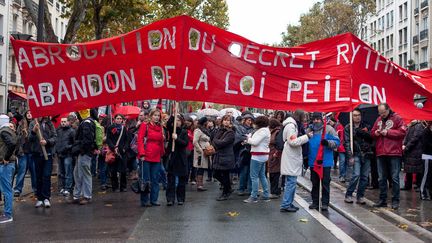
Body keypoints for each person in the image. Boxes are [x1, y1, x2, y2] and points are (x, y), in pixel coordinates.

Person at [372, 103, 406, 210]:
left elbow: (402, 132)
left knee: (395, 178)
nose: (381, 115)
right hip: (381, 152)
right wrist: (376, 133)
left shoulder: (397, 118)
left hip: (394, 152)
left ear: (388, 110)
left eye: (383, 112)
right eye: (380, 113)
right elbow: (372, 132)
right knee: (381, 178)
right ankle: (382, 200)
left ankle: (395, 201)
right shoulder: (378, 120)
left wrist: (388, 132)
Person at [280, 110, 311, 212]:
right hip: (291, 156)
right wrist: (307, 136)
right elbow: (293, 141)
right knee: (291, 182)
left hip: (292, 156)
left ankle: (289, 203)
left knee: (292, 181)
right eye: (304, 117)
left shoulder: (292, 125)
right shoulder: (291, 126)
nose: (305, 119)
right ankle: (286, 204)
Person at [308, 112, 340, 211]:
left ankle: (325, 203)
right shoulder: (309, 130)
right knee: (314, 183)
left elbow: (337, 142)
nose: (315, 121)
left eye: (317, 119)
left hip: (325, 161)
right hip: (313, 161)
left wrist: (328, 143)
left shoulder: (329, 129)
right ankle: (315, 202)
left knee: (325, 183)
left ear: (321, 119)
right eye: (314, 119)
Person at [343, 108, 373, 205]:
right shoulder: (348, 127)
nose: (357, 117)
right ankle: (349, 194)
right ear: (352, 116)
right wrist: (350, 156)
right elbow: (347, 143)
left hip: (366, 153)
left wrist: (364, 132)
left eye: (358, 115)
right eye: (355, 115)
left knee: (364, 177)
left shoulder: (366, 125)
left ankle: (360, 196)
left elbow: (371, 138)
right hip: (355, 153)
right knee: (356, 175)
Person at [69, 109, 98, 205]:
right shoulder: (87, 122)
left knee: (84, 173)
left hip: (84, 152)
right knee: (78, 173)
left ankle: (86, 196)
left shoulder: (86, 123)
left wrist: (80, 149)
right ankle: (78, 195)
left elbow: (87, 140)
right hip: (84, 152)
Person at [137, 109, 164, 207]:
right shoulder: (145, 125)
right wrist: (142, 154)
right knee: (145, 179)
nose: (157, 117)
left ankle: (154, 199)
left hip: (156, 156)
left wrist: (162, 153)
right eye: (155, 115)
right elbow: (139, 139)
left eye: (158, 115)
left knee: (155, 179)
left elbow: (161, 142)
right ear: (151, 116)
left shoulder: (160, 127)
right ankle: (145, 200)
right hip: (146, 156)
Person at [29, 115, 57, 208]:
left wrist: (47, 142)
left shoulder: (50, 124)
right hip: (37, 154)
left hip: (47, 154)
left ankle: (46, 198)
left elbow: (55, 137)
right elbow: (29, 139)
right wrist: (33, 131)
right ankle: (40, 198)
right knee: (39, 177)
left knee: (46, 175)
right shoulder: (33, 123)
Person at [243, 116, 271, 203]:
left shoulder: (262, 131)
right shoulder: (266, 130)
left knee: (254, 177)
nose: (253, 124)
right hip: (263, 155)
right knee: (262, 175)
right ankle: (266, 194)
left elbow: (255, 142)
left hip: (257, 155)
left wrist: (248, 138)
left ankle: (253, 196)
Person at [165, 114, 189, 205]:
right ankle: (170, 199)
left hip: (181, 158)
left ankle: (180, 198)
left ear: (182, 122)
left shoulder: (184, 131)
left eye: (179, 120)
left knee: (181, 181)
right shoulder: (171, 130)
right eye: (176, 121)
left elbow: (185, 143)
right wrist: (173, 115)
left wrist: (177, 138)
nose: (177, 122)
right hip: (172, 158)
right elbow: (168, 124)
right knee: (171, 180)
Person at [212, 115, 236, 201]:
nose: (226, 122)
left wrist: (216, 141)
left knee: (225, 175)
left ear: (230, 122)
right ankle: (228, 188)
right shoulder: (220, 130)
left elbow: (222, 143)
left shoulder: (231, 132)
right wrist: (216, 141)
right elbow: (214, 140)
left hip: (226, 156)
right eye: (225, 120)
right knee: (216, 174)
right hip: (219, 155)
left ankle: (225, 192)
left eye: (228, 120)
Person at [14, 110, 36, 197]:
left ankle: (36, 189)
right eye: (28, 113)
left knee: (34, 172)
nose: (29, 114)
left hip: (33, 152)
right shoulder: (21, 124)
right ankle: (17, 189)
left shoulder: (35, 123)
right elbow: (17, 138)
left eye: (31, 113)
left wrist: (30, 134)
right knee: (21, 171)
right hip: (23, 152)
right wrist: (22, 134)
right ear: (25, 115)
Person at [0, 115, 18, 223]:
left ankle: (8, 214)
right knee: (7, 189)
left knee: (6, 189)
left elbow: (12, 144)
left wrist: (6, 157)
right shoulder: (10, 130)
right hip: (8, 163)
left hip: (5, 164)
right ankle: (7, 213)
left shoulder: (4, 131)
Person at [401, 120, 427, 191]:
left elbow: (415, 138)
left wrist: (406, 146)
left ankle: (418, 185)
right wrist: (404, 144)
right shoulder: (411, 126)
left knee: (418, 169)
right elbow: (406, 137)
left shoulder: (418, 126)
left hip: (416, 151)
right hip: (411, 151)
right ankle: (408, 185)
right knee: (409, 169)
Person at [106, 114, 128, 192]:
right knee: (113, 170)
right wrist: (113, 147)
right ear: (114, 119)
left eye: (120, 118)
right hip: (113, 151)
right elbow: (108, 139)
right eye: (117, 118)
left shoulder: (124, 128)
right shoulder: (110, 128)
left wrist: (125, 148)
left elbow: (126, 139)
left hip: (122, 152)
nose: (119, 120)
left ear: (122, 120)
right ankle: (115, 187)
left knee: (123, 170)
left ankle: (123, 186)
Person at [234, 113, 254, 196]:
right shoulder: (240, 128)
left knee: (251, 172)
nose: (250, 122)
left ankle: (250, 189)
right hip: (243, 152)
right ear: (245, 120)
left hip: (252, 151)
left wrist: (246, 139)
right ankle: (241, 188)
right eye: (249, 120)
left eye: (251, 120)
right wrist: (247, 138)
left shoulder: (253, 129)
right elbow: (238, 138)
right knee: (244, 171)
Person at [55, 117, 75, 197]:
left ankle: (68, 188)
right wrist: (56, 149)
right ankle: (62, 187)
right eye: (62, 121)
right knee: (61, 173)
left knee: (68, 172)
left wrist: (68, 147)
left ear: (68, 122)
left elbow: (74, 143)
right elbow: (56, 141)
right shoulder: (58, 131)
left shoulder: (71, 131)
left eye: (65, 121)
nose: (63, 123)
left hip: (68, 154)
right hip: (60, 154)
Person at [193, 117, 211, 191]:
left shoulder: (205, 130)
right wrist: (200, 150)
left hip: (206, 152)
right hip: (200, 153)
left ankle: (201, 184)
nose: (208, 123)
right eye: (207, 121)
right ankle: (199, 185)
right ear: (204, 122)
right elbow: (195, 141)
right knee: (200, 168)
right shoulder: (198, 130)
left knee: (203, 168)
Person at [329, 117, 347, 182]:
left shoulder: (339, 127)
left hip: (342, 147)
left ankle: (343, 176)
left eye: (330, 121)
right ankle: (343, 175)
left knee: (342, 161)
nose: (330, 123)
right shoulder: (336, 127)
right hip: (342, 146)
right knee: (343, 161)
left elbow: (340, 138)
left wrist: (337, 145)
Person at [268, 119, 282, 199]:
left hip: (275, 154)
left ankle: (275, 192)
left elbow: (279, 143)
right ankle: (273, 191)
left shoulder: (277, 132)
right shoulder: (274, 131)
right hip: (272, 153)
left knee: (275, 173)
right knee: (272, 173)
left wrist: (276, 153)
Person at [420, 121, 432, 200]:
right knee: (426, 174)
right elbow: (425, 144)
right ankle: (423, 192)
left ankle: (429, 193)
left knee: (430, 175)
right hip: (427, 155)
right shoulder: (426, 131)